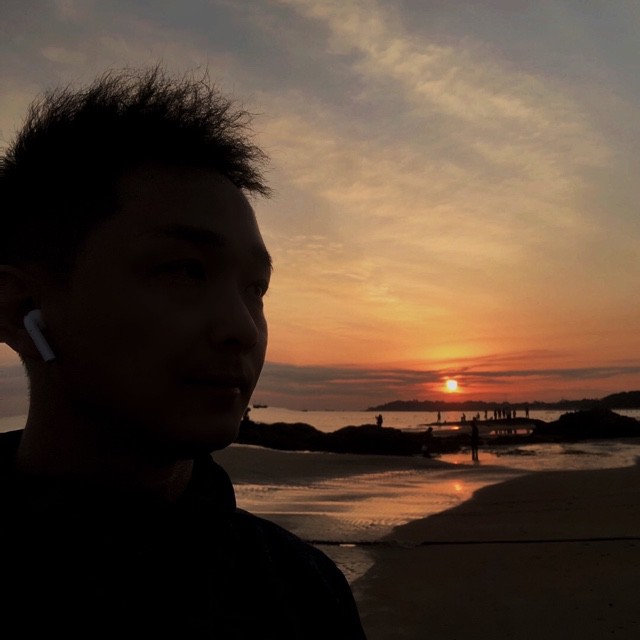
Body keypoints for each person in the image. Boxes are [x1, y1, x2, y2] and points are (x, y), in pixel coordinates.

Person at [0, 67, 366, 638]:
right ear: (20, 307)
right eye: (185, 270)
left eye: (256, 289)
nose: (243, 329)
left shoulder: (301, 590)